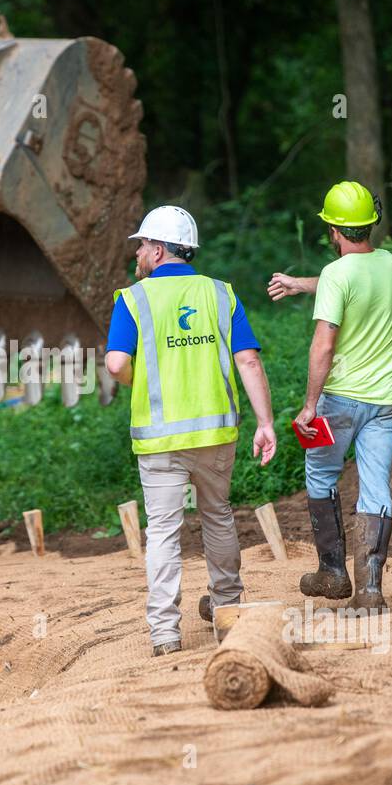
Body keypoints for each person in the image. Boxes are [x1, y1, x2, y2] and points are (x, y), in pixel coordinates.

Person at [105, 205, 278, 656]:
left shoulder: (133, 299)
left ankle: (165, 633)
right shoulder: (221, 294)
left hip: (159, 438)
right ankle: (228, 613)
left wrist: (136, 380)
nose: (139, 252)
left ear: (158, 250)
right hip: (216, 434)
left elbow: (117, 364)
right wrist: (265, 422)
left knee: (163, 530)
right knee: (217, 516)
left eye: (142, 244)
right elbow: (249, 360)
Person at [267, 181, 392, 610]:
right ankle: (370, 590)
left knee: (322, 475)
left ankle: (332, 571)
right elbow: (351, 280)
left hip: (340, 401)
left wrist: (310, 404)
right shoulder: (390, 264)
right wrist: (300, 284)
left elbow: (323, 343)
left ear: (333, 229)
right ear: (370, 224)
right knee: (376, 485)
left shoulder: (335, 275)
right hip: (389, 400)